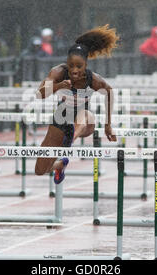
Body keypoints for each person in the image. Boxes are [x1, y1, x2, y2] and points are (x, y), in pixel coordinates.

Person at [34, 25, 118, 184]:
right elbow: (40, 94)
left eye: (79, 66)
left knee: (84, 116)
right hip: (61, 118)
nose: (74, 70)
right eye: (71, 65)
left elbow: (109, 92)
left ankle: (69, 141)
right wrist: (58, 87)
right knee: (40, 169)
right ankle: (59, 164)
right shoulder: (58, 72)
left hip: (84, 122)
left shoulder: (93, 79)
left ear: (86, 65)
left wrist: (108, 125)